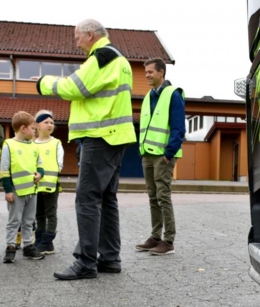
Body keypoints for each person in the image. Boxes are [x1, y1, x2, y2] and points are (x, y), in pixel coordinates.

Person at [37, 18, 136, 280]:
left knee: (87, 199)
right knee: (106, 199)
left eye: (77, 36)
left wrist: (44, 83)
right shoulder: (120, 59)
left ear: (90, 34)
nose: (76, 41)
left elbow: (73, 87)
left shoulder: (101, 57)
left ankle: (86, 263)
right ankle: (110, 259)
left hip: (99, 136)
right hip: (114, 136)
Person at [135, 57, 186, 256]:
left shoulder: (173, 94)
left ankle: (168, 240)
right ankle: (155, 236)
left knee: (163, 196)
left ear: (161, 72)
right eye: (145, 72)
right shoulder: (149, 96)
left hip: (163, 155)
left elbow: (178, 128)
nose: (147, 75)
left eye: (150, 72)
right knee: (152, 196)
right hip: (147, 154)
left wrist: (169, 153)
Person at [0, 111, 44, 263]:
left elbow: (40, 165)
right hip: (16, 191)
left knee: (29, 221)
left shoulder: (34, 146)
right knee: (14, 221)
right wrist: (7, 191)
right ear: (23, 128)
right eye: (33, 128)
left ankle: (28, 246)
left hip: (32, 190)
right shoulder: (9, 145)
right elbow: (4, 170)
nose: (34, 131)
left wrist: (40, 174)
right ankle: (10, 247)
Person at [33, 110, 64, 255]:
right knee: (38, 214)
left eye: (51, 122)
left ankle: (47, 241)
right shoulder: (32, 144)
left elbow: (59, 165)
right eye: (46, 122)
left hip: (50, 185)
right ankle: (39, 239)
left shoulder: (56, 143)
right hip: (35, 185)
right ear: (37, 125)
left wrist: (47, 182)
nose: (49, 124)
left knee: (50, 213)